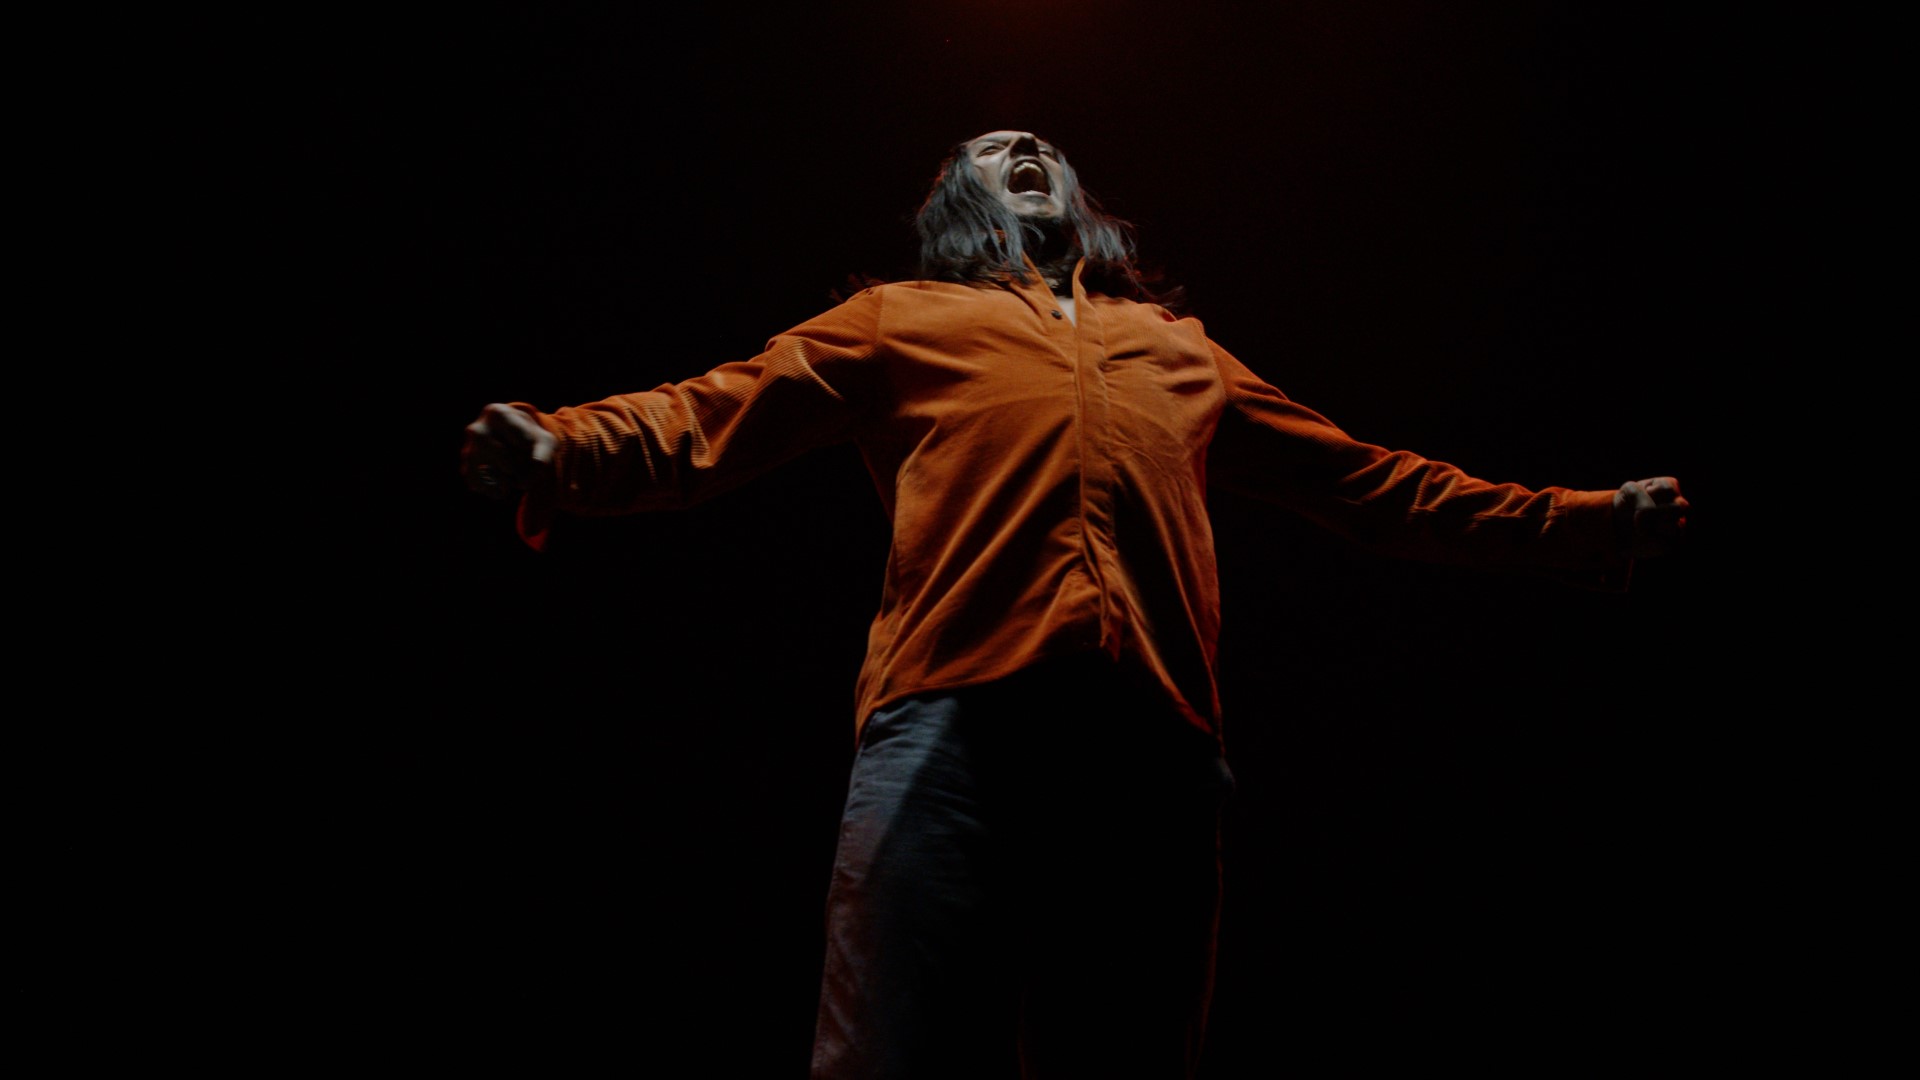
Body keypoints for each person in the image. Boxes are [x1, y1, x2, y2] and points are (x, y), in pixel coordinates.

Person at [460, 129, 1688, 1079]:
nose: (1024, 146)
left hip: (1148, 747)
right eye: (992, 149)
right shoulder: (899, 321)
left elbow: (1371, 482)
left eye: (1042, 144)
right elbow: (717, 407)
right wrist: (566, 448)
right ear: (960, 201)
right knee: (893, 1054)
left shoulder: (1180, 349)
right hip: (946, 729)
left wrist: (1580, 523)